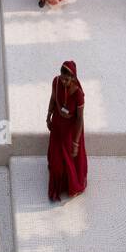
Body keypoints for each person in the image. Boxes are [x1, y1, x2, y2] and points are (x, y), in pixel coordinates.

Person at [46, 60, 87, 202]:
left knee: (69, 162)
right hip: (57, 126)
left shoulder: (78, 95)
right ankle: (57, 185)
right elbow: (52, 98)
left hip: (70, 131)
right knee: (57, 163)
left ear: (73, 78)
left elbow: (80, 119)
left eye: (67, 79)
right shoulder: (56, 82)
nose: (64, 81)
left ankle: (70, 186)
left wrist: (75, 143)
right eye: (63, 78)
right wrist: (48, 116)